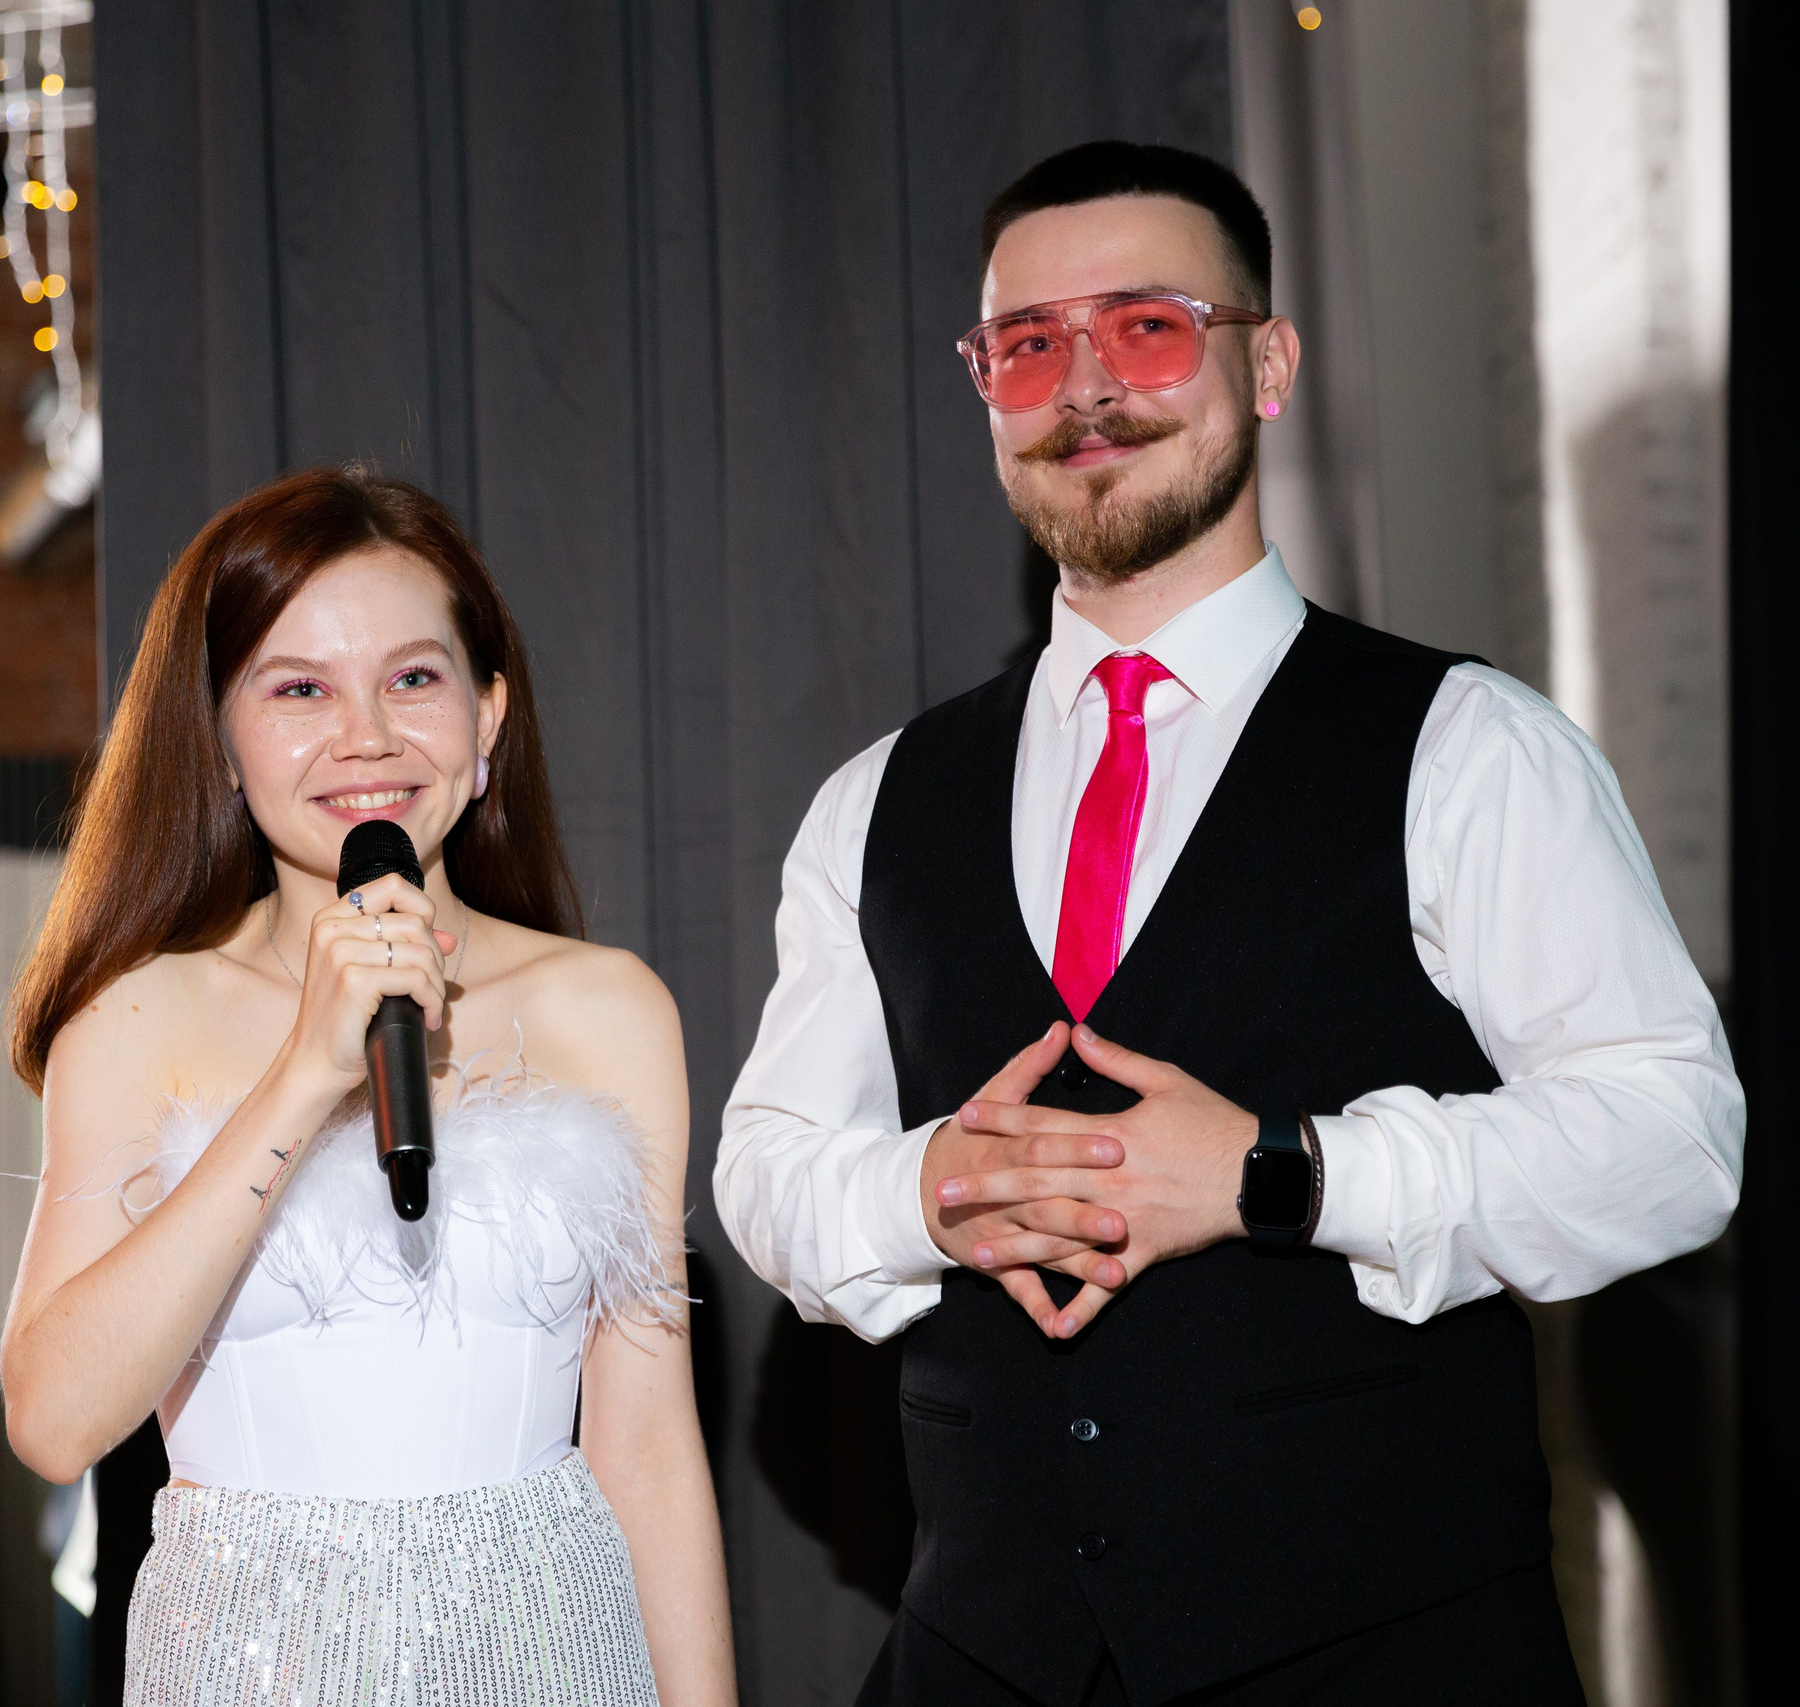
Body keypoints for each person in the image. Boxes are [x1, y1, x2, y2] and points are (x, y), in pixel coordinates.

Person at [715, 139, 1743, 1705]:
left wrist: (1285, 1169)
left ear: (1267, 365)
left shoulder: (1470, 746)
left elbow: (1675, 1137)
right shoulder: (873, 799)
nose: (1085, 387)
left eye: (1146, 327)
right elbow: (768, 1169)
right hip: (981, 1658)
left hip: (1389, 1663)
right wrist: (933, 1187)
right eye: (1027, 346)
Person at [0, 466, 736, 1706]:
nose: (367, 737)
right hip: (249, 1663)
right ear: (219, 737)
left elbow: (649, 1449)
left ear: (487, 716)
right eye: (299, 689)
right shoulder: (136, 1019)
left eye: (413, 679)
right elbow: (54, 1420)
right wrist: (301, 1076)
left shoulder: (608, 1011)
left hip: (551, 1654)